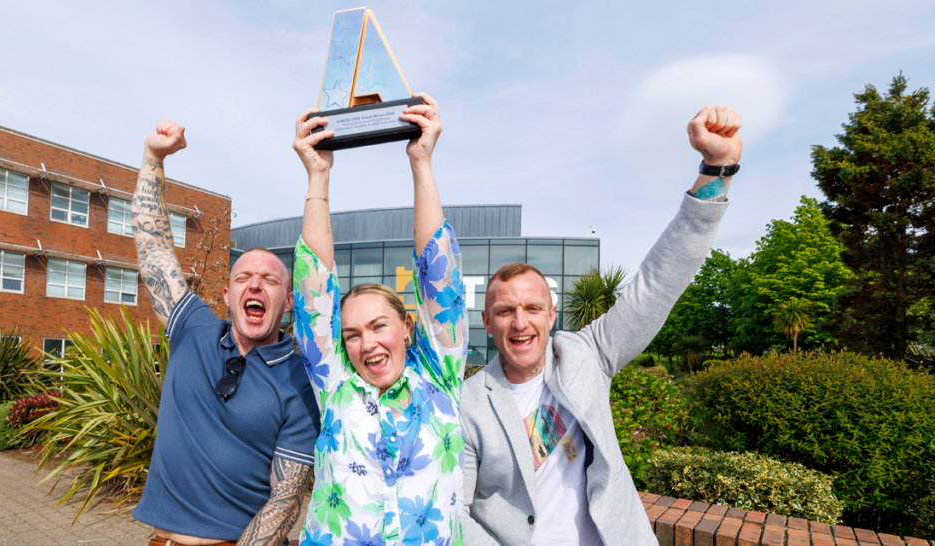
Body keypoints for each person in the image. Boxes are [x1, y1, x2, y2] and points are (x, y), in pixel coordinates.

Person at [460, 105, 743, 546]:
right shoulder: (468, 404)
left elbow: (658, 282)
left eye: (533, 308)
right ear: (486, 322)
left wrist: (717, 169)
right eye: (505, 311)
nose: (520, 322)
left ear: (552, 315)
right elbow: (453, 512)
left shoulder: (588, 354)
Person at [290, 93, 469, 546]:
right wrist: (318, 176)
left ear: (407, 328)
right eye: (351, 334)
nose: (366, 343)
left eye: (378, 326)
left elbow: (438, 273)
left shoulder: (442, 374)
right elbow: (314, 287)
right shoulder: (335, 383)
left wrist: (421, 162)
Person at [130, 121, 319, 546]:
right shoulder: (193, 328)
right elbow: (153, 248)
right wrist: (153, 157)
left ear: (289, 301)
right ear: (227, 296)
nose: (255, 286)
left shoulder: (299, 380)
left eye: (269, 280)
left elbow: (286, 500)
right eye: (243, 278)